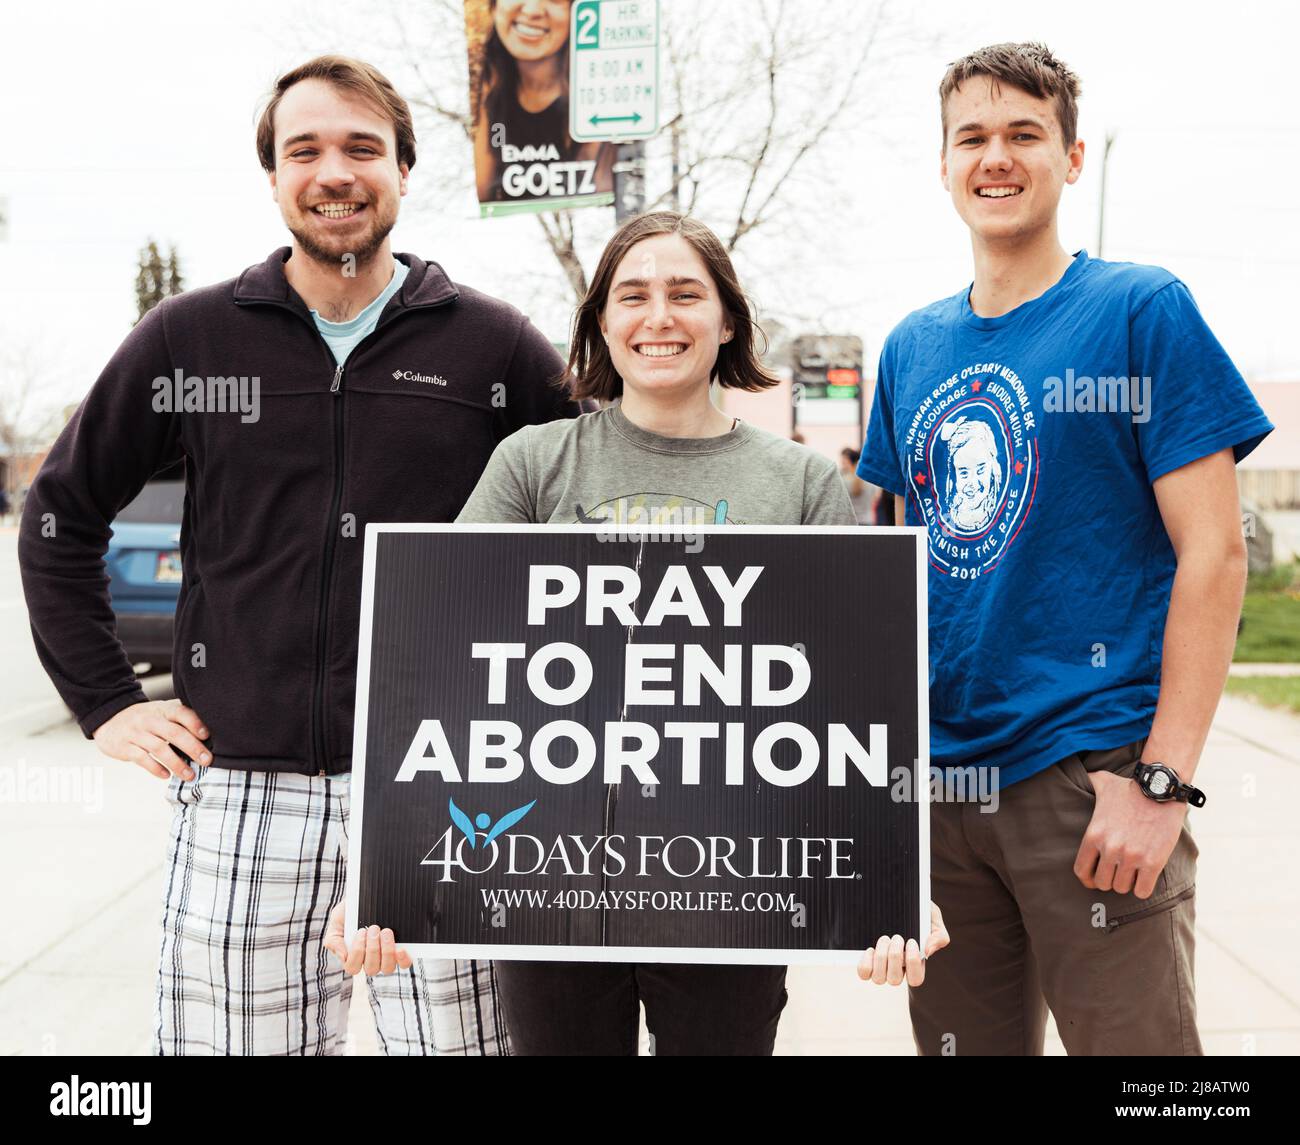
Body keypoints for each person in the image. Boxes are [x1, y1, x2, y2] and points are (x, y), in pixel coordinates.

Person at [19, 55, 577, 1056]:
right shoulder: (190, 339)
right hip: (243, 789)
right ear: (273, 177)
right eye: (304, 150)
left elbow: (591, 505)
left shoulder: (492, 347)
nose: (335, 171)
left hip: (449, 789)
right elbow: (60, 512)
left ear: (404, 170)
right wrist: (105, 702)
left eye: (363, 147)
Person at [331, 210, 950, 1055]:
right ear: (601, 324)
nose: (659, 317)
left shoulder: (800, 481)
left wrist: (895, 882)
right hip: (548, 880)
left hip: (739, 886)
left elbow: (854, 694)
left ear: (726, 319)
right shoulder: (532, 463)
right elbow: (445, 663)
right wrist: (388, 874)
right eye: (633, 296)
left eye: (685, 294)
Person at [857, 42, 1273, 1056]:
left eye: (1022, 134)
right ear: (943, 162)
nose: (995, 157)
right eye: (972, 137)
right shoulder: (912, 345)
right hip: (942, 787)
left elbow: (1214, 554)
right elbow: (889, 574)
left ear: (1070, 158)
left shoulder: (1139, 309)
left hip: (1090, 777)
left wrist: (1160, 782)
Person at [473, 0, 614, 204]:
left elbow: (599, 193)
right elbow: (487, 191)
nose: (532, 11)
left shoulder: (596, 102)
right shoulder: (491, 89)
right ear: (493, 6)